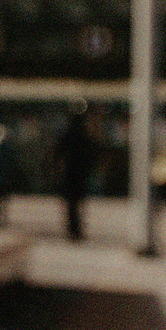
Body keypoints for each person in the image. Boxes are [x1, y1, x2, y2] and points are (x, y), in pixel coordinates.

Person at [55, 103, 99, 242]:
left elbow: (58, 151)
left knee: (71, 204)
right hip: (79, 174)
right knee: (77, 203)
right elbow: (91, 153)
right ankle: (76, 228)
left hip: (70, 173)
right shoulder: (84, 134)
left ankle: (73, 228)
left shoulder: (69, 133)